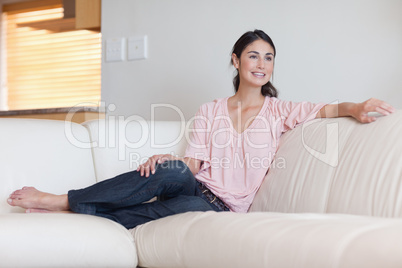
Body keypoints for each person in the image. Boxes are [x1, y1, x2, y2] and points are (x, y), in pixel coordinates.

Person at [7, 29, 395, 229]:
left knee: (151, 215)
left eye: (269, 58)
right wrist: (170, 162)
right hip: (196, 183)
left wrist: (356, 107)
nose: (262, 64)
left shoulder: (281, 110)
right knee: (167, 169)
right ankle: (60, 199)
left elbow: (326, 109)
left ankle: (72, 213)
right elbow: (194, 163)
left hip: (223, 207)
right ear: (236, 60)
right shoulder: (210, 109)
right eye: (253, 55)